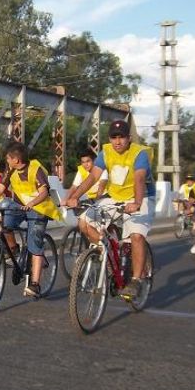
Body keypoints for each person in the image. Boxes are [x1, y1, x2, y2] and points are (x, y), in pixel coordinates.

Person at [66, 120, 156, 298]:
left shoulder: (140, 153)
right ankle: (107, 255)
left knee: (136, 236)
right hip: (115, 198)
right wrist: (74, 196)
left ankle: (136, 280)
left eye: (121, 137)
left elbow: (139, 179)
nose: (117, 141)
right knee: (84, 222)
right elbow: (93, 177)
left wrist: (137, 202)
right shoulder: (105, 152)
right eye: (114, 137)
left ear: (129, 138)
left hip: (142, 197)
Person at [0, 141, 62, 298]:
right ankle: (14, 249)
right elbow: (1, 188)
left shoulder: (35, 169)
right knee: (5, 224)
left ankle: (35, 284)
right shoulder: (11, 170)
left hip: (39, 208)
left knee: (35, 242)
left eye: (8, 158)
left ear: (16, 159)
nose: (6, 161)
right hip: (20, 207)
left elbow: (44, 193)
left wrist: (32, 203)